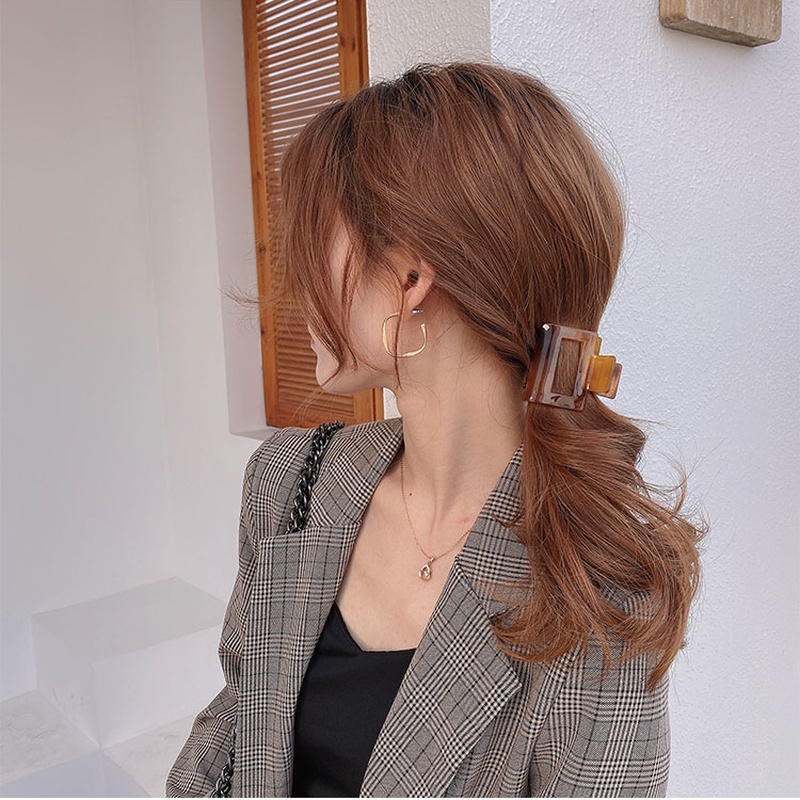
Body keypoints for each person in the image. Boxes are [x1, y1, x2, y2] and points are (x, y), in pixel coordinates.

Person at [167, 62, 702, 798]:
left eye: (316, 235)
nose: (294, 272)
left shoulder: (598, 592)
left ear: (412, 279)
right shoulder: (291, 481)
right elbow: (237, 725)